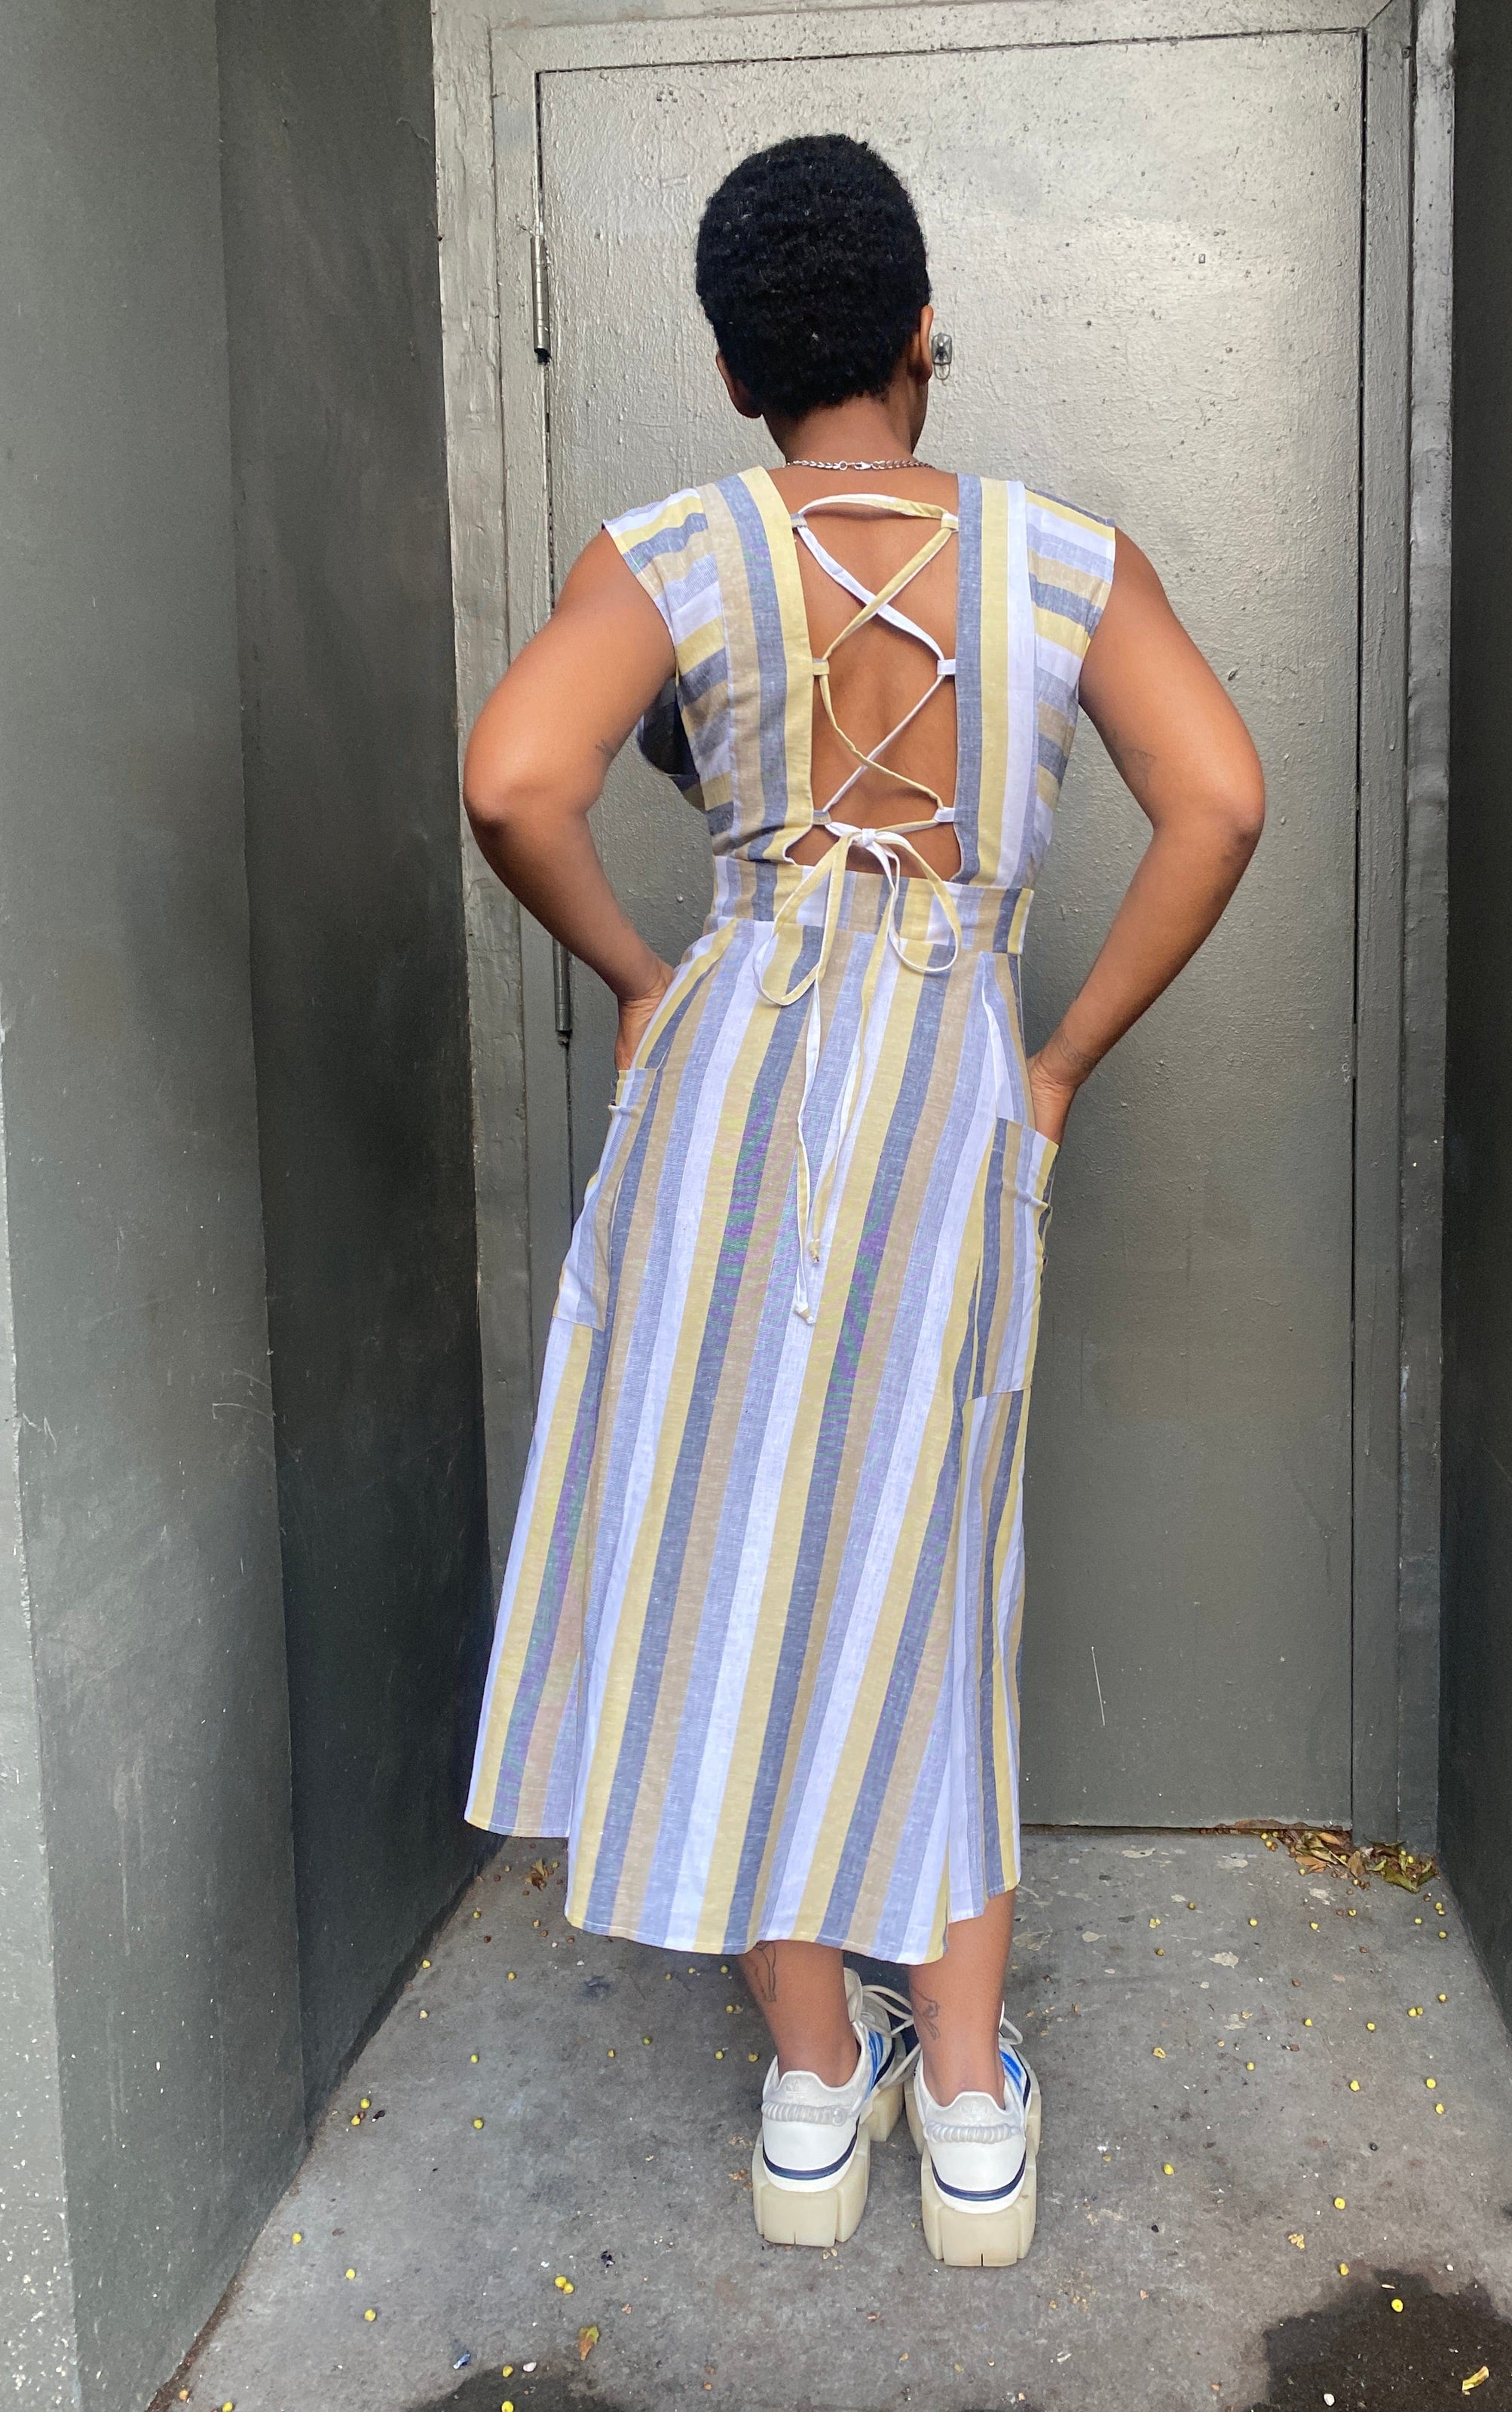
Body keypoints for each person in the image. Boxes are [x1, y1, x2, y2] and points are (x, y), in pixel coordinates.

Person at [460, 133, 1263, 2267]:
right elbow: (1220, 798)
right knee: (934, 1556)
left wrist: (645, 978)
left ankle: (819, 2092)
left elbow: (515, 780)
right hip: (950, 1092)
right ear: (923, 328)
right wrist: (1057, 1061)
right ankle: (972, 2111)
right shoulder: (1067, 560)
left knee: (732, 1547)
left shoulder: (675, 551)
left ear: (734, 370)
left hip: (736, 1077)